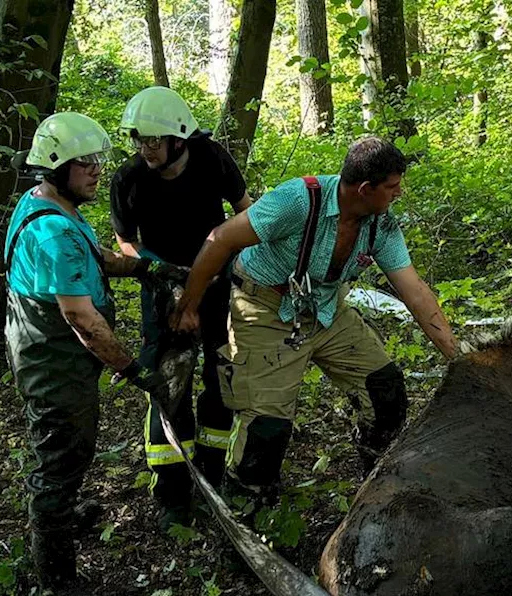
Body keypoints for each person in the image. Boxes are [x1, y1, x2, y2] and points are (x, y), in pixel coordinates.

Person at [170, 137, 458, 502]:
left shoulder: (379, 225)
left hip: (325, 310)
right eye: (392, 187)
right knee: (266, 429)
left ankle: (375, 485)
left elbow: (414, 290)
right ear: (366, 189)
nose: (398, 194)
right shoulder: (298, 201)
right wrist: (189, 305)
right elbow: (221, 238)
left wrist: (458, 358)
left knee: (385, 391)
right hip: (265, 311)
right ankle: (249, 511)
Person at [5, 112, 185, 596]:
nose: (96, 171)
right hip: (54, 358)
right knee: (62, 454)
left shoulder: (50, 205)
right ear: (56, 167)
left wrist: (143, 266)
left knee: (65, 446)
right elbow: (82, 320)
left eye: (98, 160)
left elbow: (93, 256)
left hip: (40, 345)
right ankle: (58, 584)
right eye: (85, 163)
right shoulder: (53, 234)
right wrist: (136, 371)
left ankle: (59, 515)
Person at [111, 85, 253, 531]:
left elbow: (245, 212)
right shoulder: (129, 179)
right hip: (160, 292)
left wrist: (222, 273)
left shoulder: (213, 159)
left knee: (221, 376)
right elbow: (126, 241)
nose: (145, 149)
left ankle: (213, 474)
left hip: (218, 286)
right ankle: (173, 494)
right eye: (139, 140)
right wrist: (169, 285)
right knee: (169, 387)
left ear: (179, 139)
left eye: (153, 140)